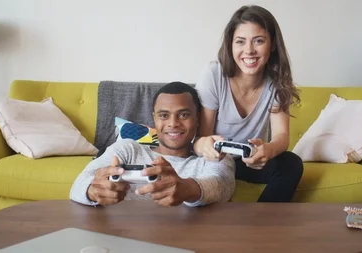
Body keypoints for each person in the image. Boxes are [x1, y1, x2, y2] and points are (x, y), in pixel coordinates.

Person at [193, 5, 303, 203]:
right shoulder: (214, 74)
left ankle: (262, 226)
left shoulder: (277, 81)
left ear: (272, 44)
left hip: (249, 162)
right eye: (240, 42)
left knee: (291, 163)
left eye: (259, 41)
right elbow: (201, 137)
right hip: (216, 160)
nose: (249, 51)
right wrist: (205, 147)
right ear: (230, 46)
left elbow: (282, 136)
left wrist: (267, 150)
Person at [70, 82, 235, 207]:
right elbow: (77, 186)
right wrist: (93, 190)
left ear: (198, 118)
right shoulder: (127, 149)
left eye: (183, 115)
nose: (173, 123)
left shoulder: (215, 155)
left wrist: (186, 189)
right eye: (164, 115)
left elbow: (222, 186)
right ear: (154, 118)